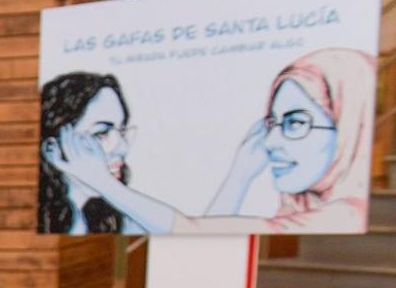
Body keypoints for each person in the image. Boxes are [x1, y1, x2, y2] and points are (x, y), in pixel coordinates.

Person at [46, 48, 377, 235]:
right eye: (103, 132)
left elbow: (190, 231)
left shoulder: (344, 214)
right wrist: (241, 175)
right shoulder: (72, 211)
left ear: (349, 124)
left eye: (295, 123)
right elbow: (200, 230)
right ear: (53, 139)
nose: (272, 141)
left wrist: (104, 183)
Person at [37, 72, 137, 234]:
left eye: (122, 131)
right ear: (52, 147)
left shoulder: (114, 221)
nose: (122, 148)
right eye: (101, 133)